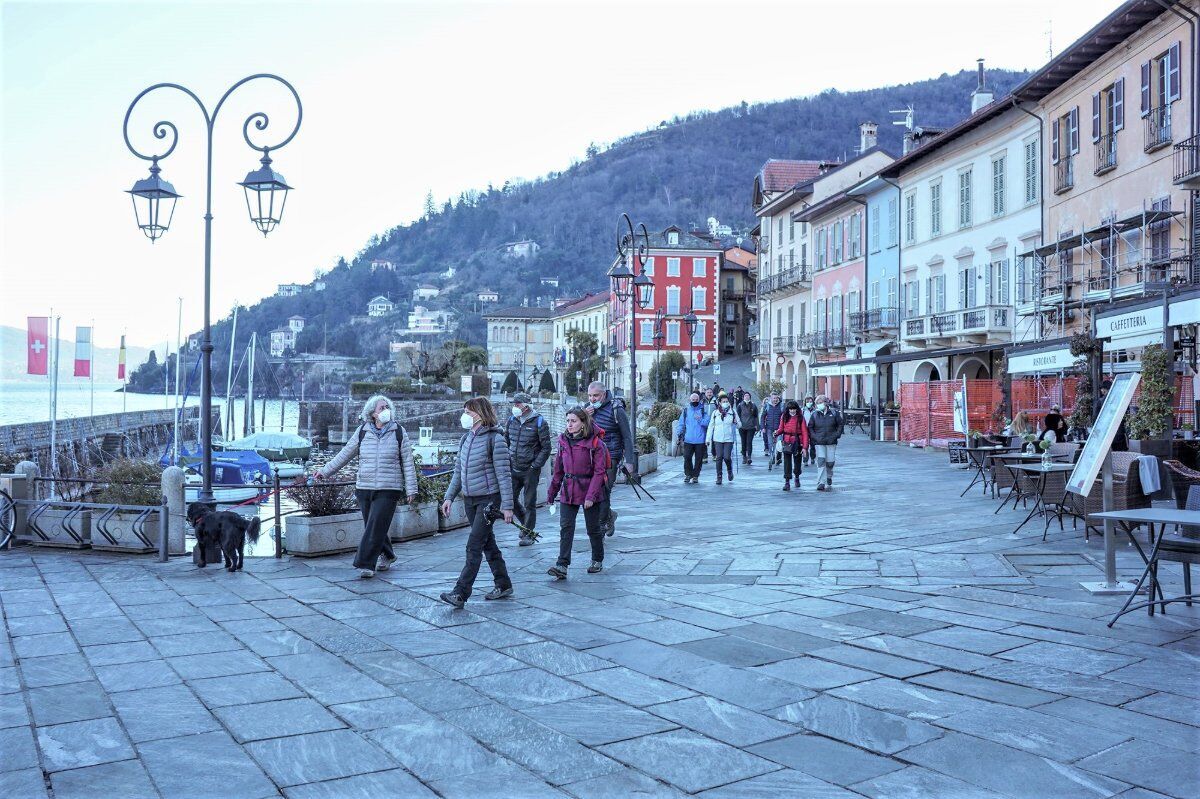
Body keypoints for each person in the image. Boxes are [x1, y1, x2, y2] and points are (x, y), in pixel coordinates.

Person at [316, 395, 417, 578]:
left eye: (387, 407)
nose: (386, 410)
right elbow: (345, 454)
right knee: (374, 525)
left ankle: (366, 563)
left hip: (389, 487)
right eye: (381, 408)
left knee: (376, 524)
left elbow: (408, 463)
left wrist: (411, 489)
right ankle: (387, 554)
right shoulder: (362, 432)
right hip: (365, 487)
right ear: (372, 413)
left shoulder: (399, 432)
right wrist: (324, 471)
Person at [439, 397, 514, 608]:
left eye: (469, 413)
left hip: (488, 500)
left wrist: (507, 506)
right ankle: (504, 583)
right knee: (487, 543)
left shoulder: (495, 440)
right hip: (470, 500)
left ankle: (460, 593)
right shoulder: (466, 439)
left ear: (481, 414)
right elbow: (458, 472)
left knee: (474, 545)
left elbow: (504, 475)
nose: (465, 416)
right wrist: (449, 497)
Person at [546, 407, 608, 579]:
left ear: (583, 423)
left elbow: (599, 472)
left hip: (589, 488)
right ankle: (562, 565)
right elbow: (558, 470)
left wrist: (591, 496)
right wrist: (551, 493)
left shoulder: (596, 444)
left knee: (593, 528)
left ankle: (597, 559)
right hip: (568, 489)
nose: (569, 424)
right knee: (566, 528)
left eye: (573, 421)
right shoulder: (563, 442)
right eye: (567, 421)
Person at [585, 382, 635, 537]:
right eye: (590, 396)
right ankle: (609, 516)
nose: (592, 399)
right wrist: (585, 415)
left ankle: (601, 526)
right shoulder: (587, 409)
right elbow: (577, 432)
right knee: (592, 491)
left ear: (604, 394)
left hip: (610, 456)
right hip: (590, 456)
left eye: (596, 396)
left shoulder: (616, 409)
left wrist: (629, 461)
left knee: (604, 490)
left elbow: (627, 436)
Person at [505, 392, 551, 547]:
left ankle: (528, 534)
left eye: (518, 404)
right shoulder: (511, 420)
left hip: (530, 469)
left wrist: (535, 466)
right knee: (509, 500)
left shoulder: (539, 422)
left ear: (526, 406)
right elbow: (506, 441)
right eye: (514, 404)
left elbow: (546, 448)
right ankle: (526, 523)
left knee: (529, 501)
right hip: (513, 467)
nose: (515, 407)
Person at [808, 394, 843, 491]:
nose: (819, 405)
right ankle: (821, 482)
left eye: (821, 402)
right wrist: (815, 437)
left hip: (831, 441)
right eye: (817, 403)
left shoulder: (834, 413)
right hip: (819, 442)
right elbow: (810, 427)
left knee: (830, 462)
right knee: (821, 461)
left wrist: (836, 435)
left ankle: (829, 476)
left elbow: (840, 424)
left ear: (825, 403)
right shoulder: (814, 414)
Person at [775, 399, 809, 491]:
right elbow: (781, 428)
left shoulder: (800, 418)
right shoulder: (784, 417)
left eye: (794, 409)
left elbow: (805, 433)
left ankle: (797, 476)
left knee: (797, 462)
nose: (792, 411)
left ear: (796, 409)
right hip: (787, 442)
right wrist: (777, 433)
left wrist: (805, 447)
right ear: (788, 409)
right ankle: (787, 482)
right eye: (790, 409)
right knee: (787, 462)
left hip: (798, 442)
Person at [677, 391, 710, 484]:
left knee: (698, 459)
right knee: (687, 457)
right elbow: (681, 423)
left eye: (696, 400)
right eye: (693, 400)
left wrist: (700, 419)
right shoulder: (686, 410)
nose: (694, 401)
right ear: (690, 400)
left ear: (699, 400)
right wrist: (679, 433)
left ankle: (695, 475)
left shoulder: (703, 410)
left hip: (700, 439)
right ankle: (688, 474)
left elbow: (707, 423)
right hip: (688, 439)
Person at [706, 393, 738, 484]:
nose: (725, 403)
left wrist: (736, 423)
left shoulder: (733, 412)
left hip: (729, 438)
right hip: (717, 438)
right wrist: (708, 439)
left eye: (726, 401)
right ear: (719, 403)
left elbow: (740, 425)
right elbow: (711, 426)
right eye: (723, 401)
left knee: (727, 457)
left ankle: (729, 470)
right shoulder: (715, 413)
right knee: (719, 457)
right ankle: (719, 476)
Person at [760, 392, 783, 470]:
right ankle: (772, 457)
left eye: (776, 398)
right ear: (771, 398)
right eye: (774, 398)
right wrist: (762, 427)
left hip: (779, 428)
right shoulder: (767, 406)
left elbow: (785, 417)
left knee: (779, 444)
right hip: (769, 428)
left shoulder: (781, 406)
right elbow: (762, 417)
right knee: (770, 444)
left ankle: (778, 457)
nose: (775, 399)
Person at [735, 391, 759, 466]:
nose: (747, 397)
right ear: (743, 397)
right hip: (742, 427)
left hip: (751, 427)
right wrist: (737, 424)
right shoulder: (740, 405)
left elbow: (756, 416)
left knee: (749, 442)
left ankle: (749, 457)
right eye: (745, 395)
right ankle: (744, 457)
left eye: (748, 395)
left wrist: (757, 426)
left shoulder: (753, 405)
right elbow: (737, 416)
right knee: (743, 442)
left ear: (750, 397)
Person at [801, 395, 817, 466]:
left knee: (813, 445)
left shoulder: (815, 411)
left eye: (811, 401)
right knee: (805, 445)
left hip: (813, 429)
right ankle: (805, 460)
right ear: (805, 402)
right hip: (805, 429)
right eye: (807, 402)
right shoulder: (802, 411)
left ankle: (813, 457)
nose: (809, 403)